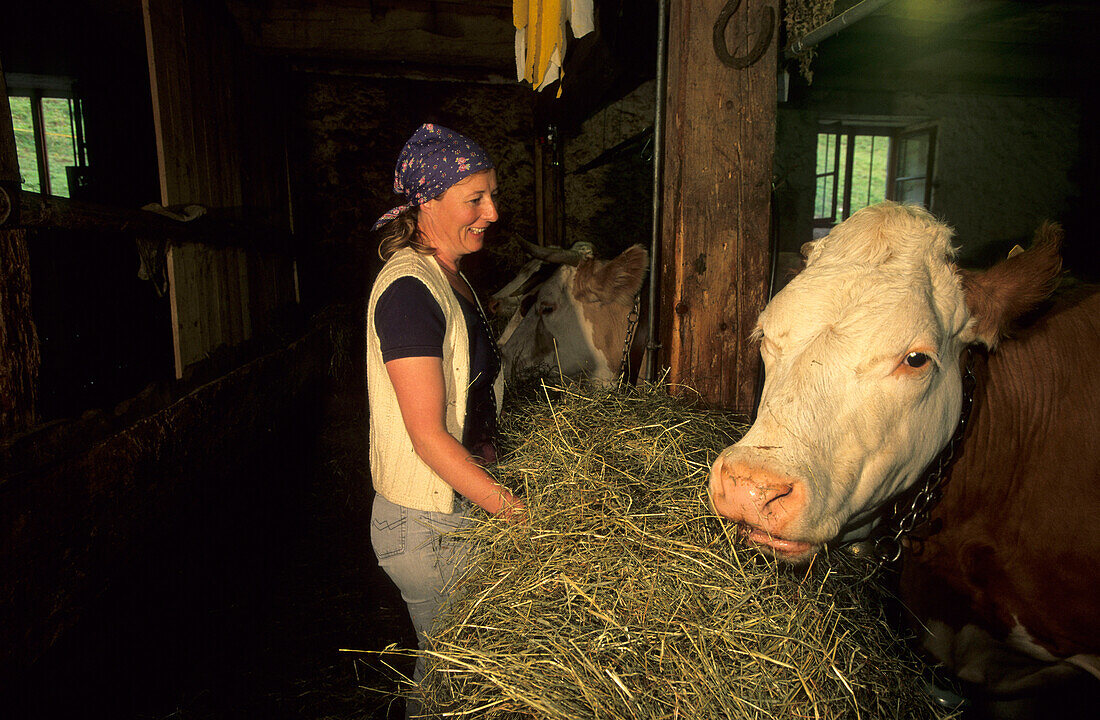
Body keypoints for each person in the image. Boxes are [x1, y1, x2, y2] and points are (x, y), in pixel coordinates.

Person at [366, 123, 524, 710]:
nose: (492, 213)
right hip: (426, 525)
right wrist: (521, 516)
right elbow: (428, 437)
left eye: (493, 196)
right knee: (452, 676)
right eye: (475, 199)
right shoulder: (410, 290)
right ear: (427, 201)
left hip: (458, 509)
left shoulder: (451, 276)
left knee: (455, 666)